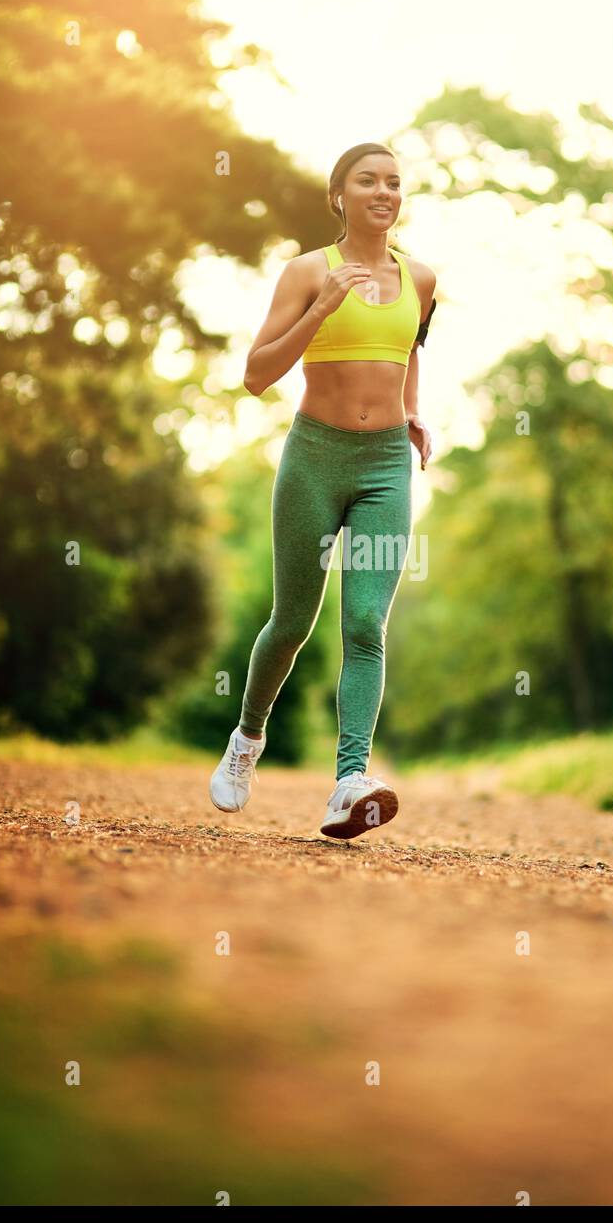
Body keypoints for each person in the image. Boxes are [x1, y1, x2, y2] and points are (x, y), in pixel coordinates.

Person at [210, 142, 436, 840]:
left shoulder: (422, 279)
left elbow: (408, 355)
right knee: (292, 622)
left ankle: (349, 782)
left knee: (365, 624)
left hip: (383, 469)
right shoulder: (308, 271)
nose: (383, 191)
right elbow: (255, 374)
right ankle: (247, 741)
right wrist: (319, 312)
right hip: (315, 457)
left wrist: (413, 412)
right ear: (339, 195)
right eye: (368, 180)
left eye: (394, 182)